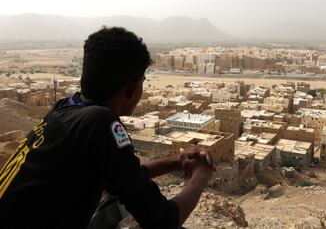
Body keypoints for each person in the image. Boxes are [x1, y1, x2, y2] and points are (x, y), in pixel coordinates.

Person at [0, 27, 214, 229]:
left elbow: (124, 178)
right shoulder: (101, 123)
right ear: (131, 88)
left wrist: (176, 161)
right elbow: (164, 220)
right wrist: (201, 175)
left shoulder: (65, 108)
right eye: (142, 81)